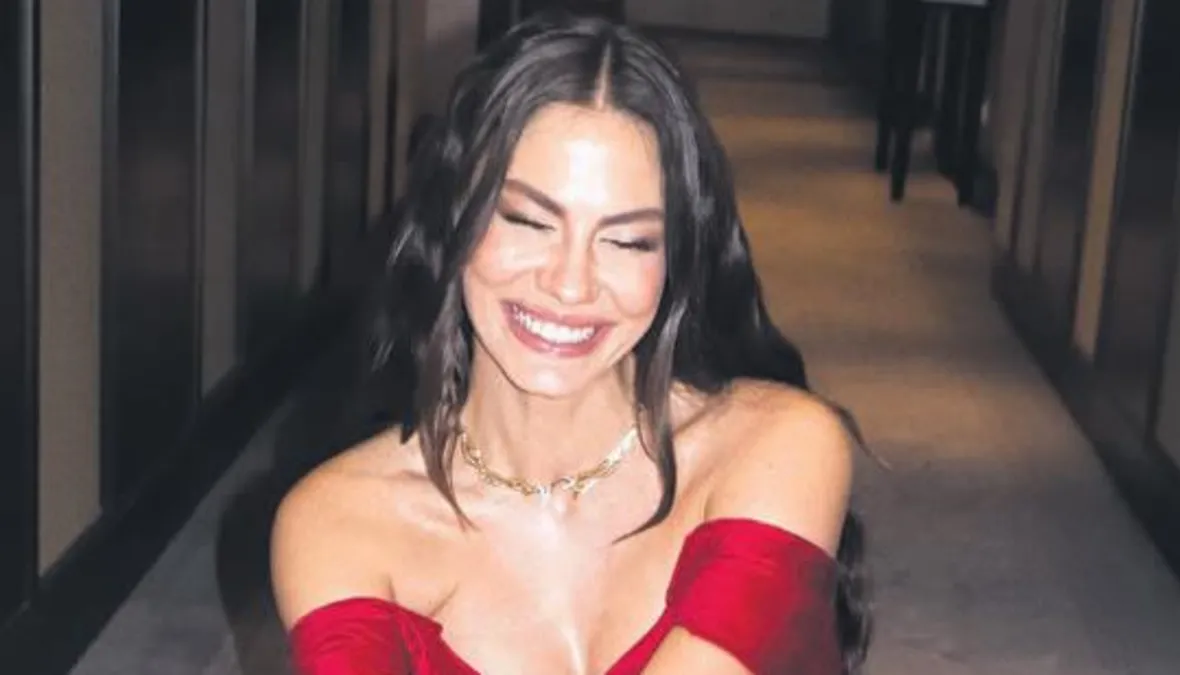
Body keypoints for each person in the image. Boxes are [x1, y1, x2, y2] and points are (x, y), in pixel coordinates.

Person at [271, 11, 870, 675]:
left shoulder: (779, 444)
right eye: (528, 221)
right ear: (452, 221)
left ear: (676, 260)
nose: (569, 283)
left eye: (627, 240)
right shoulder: (339, 522)